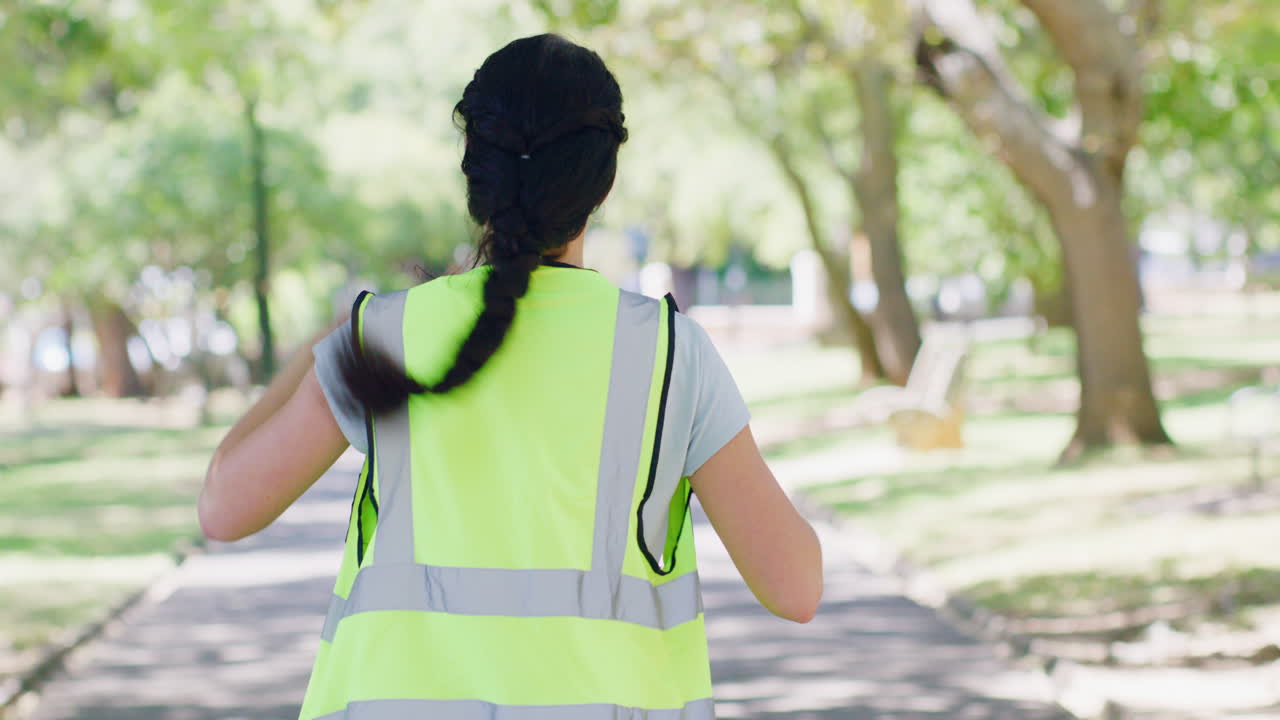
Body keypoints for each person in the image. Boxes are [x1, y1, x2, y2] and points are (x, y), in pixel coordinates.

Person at [199, 33, 822, 720]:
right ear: (602, 183)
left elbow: (224, 509)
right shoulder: (670, 353)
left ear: (476, 175)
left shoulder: (388, 334)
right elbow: (795, 588)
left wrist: (322, 348)